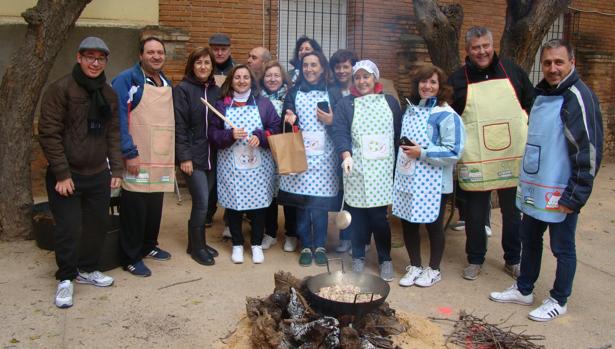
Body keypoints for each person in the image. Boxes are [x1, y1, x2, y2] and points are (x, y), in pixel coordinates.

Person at [489, 39, 603, 321]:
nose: (553, 68)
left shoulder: (578, 96)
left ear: (572, 63)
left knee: (562, 247)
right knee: (529, 238)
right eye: (548, 63)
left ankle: (559, 299)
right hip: (535, 188)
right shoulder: (542, 95)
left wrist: (575, 196)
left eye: (559, 62)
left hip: (561, 191)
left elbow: (588, 151)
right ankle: (524, 289)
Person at [39, 37, 122, 308]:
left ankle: (86, 269)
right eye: (90, 57)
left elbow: (113, 133)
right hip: (67, 175)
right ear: (79, 58)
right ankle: (66, 278)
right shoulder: (60, 89)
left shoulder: (108, 94)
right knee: (69, 228)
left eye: (100, 58)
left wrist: (116, 168)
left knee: (96, 226)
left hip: (97, 172)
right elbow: (49, 133)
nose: (95, 63)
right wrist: (61, 173)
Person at [449, 26, 534, 281]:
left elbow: (531, 102)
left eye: (485, 45)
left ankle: (513, 259)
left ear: (492, 44)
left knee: (512, 213)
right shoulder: (457, 79)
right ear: (467, 50)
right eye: (476, 47)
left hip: (511, 155)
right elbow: (448, 117)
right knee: (475, 214)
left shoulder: (512, 71)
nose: (482, 51)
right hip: (476, 159)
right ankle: (475, 259)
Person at [393, 64, 465, 288]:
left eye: (433, 82)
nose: (427, 86)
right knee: (408, 222)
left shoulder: (446, 115)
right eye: (423, 82)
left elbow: (454, 151)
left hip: (434, 182)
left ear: (440, 86)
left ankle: (433, 269)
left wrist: (422, 153)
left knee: (433, 225)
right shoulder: (411, 109)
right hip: (408, 177)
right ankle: (415, 265)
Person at [332, 60, 402, 281]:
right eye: (358, 77)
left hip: (382, 170)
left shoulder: (390, 102)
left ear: (375, 78)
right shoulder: (346, 104)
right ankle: (359, 256)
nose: (362, 81)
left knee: (379, 218)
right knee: (358, 218)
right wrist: (345, 155)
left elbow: (398, 134)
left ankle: (385, 259)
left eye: (366, 77)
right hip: (357, 168)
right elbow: (340, 131)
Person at [112, 37, 175, 277]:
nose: (156, 56)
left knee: (154, 205)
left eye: (160, 52)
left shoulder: (165, 81)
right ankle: (130, 256)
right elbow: (118, 119)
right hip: (137, 156)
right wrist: (129, 153)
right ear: (141, 55)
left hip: (159, 156)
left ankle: (149, 245)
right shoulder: (127, 80)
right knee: (135, 207)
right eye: (151, 52)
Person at [209, 65, 281, 264]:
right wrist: (228, 135)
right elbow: (212, 135)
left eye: (246, 77)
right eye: (237, 77)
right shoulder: (221, 105)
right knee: (234, 206)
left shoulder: (264, 104)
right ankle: (238, 245)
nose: (241, 81)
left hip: (259, 167)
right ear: (231, 81)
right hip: (231, 167)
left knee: (259, 206)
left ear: (252, 81)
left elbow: (275, 127)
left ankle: (256, 245)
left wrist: (261, 136)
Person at [278, 51, 343, 266]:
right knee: (303, 205)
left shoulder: (333, 92)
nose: (309, 69)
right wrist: (289, 117)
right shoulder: (294, 92)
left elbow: (342, 122)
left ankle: (321, 245)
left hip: (325, 158)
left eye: (314, 65)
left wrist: (332, 119)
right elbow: (286, 122)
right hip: (301, 157)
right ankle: (306, 244)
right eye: (305, 65)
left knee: (321, 207)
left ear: (322, 67)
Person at [174, 47, 221, 266]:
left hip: (212, 155)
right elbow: (180, 126)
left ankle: (196, 242)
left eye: (207, 63)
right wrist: (184, 157)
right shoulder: (183, 89)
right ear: (192, 66)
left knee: (206, 202)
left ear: (212, 67)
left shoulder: (216, 91)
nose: (203, 67)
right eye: (199, 62)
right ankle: (197, 248)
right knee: (201, 202)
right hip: (193, 157)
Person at [258, 61, 299, 252]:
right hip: (265, 152)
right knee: (268, 194)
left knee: (289, 193)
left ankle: (291, 234)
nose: (272, 79)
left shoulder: (290, 97)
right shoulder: (257, 98)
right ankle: (270, 233)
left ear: (283, 78)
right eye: (268, 75)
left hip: (285, 150)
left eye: (276, 75)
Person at [328, 49, 360, 253]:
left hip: (361, 150)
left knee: (359, 194)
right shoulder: (329, 91)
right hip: (336, 149)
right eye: (337, 67)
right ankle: (345, 237)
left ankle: (359, 238)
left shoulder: (363, 89)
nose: (341, 71)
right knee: (343, 193)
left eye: (345, 66)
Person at [207, 33, 235, 237]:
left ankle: (229, 219)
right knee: (210, 175)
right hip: (208, 127)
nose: (219, 52)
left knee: (229, 176)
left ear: (229, 50)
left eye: (223, 49)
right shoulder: (204, 66)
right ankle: (208, 213)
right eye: (215, 48)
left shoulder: (236, 71)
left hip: (230, 131)